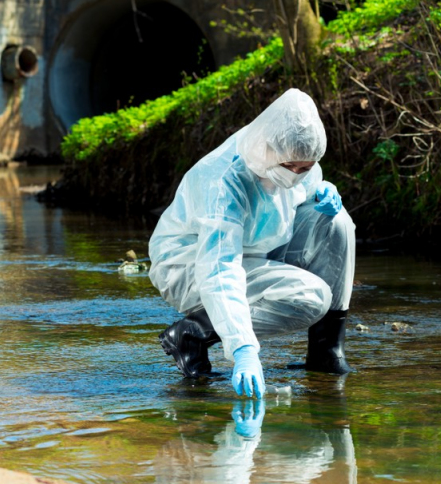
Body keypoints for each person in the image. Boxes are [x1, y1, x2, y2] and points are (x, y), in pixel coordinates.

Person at [148, 88, 355, 399]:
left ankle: (326, 351)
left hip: (259, 249)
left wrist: (323, 187)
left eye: (306, 168)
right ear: (271, 151)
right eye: (291, 167)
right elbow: (219, 268)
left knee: (337, 222)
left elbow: (303, 189)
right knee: (311, 298)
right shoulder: (225, 180)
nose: (298, 174)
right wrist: (243, 349)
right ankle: (194, 332)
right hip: (189, 264)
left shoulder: (295, 154)